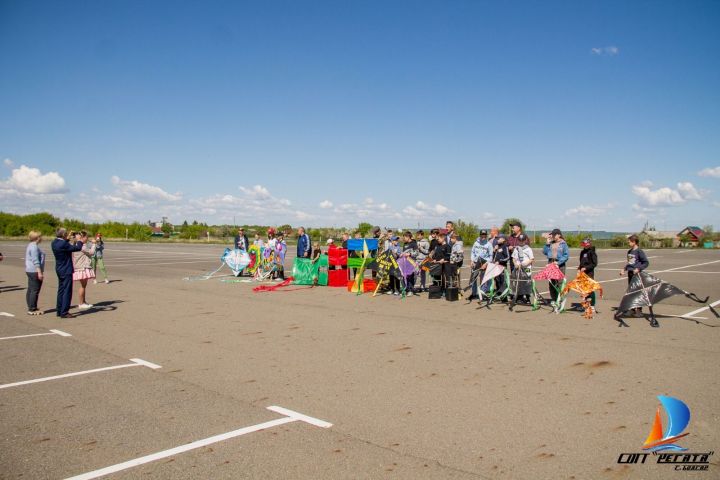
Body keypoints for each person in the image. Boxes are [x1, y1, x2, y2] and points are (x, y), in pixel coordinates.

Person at [51, 228, 84, 318]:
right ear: (63, 235)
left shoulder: (54, 242)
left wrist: (68, 237)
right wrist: (79, 240)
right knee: (67, 291)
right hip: (66, 269)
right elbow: (77, 248)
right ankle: (64, 312)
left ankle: (59, 310)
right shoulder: (63, 244)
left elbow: (64, 243)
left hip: (59, 268)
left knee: (61, 290)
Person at [620, 234, 650, 320]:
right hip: (630, 274)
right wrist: (624, 269)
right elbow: (630, 263)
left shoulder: (639, 251)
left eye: (629, 241)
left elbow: (646, 263)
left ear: (634, 242)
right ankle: (632, 310)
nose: (628, 243)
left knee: (638, 292)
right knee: (631, 292)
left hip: (637, 275)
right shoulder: (629, 252)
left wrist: (638, 269)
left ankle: (639, 311)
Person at [542, 228, 569, 304]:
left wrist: (558, 262)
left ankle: (560, 299)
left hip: (559, 265)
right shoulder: (551, 243)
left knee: (560, 282)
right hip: (551, 263)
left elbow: (566, 256)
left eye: (554, 234)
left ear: (559, 235)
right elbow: (544, 252)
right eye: (552, 234)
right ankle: (554, 299)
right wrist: (547, 244)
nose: (552, 236)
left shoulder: (563, 244)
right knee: (552, 282)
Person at [72, 231, 96, 310]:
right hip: (82, 267)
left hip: (80, 267)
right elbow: (91, 252)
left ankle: (84, 301)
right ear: (82, 238)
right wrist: (94, 244)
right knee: (83, 286)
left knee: (84, 285)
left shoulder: (77, 244)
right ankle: (81, 303)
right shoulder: (81, 246)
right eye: (86, 237)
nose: (87, 238)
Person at [25, 231, 46, 315]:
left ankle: (31, 306)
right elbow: (35, 260)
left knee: (31, 289)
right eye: (40, 237)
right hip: (34, 270)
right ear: (37, 238)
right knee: (35, 290)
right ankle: (32, 309)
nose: (41, 238)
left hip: (29, 270)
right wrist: (39, 272)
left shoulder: (30, 245)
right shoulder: (34, 247)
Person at [510, 233, 534, 303]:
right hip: (518, 268)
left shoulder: (528, 249)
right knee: (518, 282)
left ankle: (527, 297)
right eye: (520, 241)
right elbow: (513, 258)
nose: (521, 242)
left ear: (525, 240)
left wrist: (526, 263)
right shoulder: (516, 249)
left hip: (526, 268)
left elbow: (532, 259)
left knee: (527, 282)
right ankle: (519, 297)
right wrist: (515, 264)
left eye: (522, 240)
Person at [469, 230, 493, 300]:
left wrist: (486, 264)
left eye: (484, 235)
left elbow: (491, 256)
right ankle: (473, 293)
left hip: (484, 263)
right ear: (480, 235)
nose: (483, 236)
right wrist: (472, 261)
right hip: (475, 263)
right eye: (482, 235)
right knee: (473, 278)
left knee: (483, 280)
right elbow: (472, 252)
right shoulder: (476, 243)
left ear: (486, 235)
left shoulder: (489, 244)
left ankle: (482, 294)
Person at [578, 238, 598, 313]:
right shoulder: (582, 252)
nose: (584, 246)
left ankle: (592, 306)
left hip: (589, 273)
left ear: (589, 244)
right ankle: (586, 305)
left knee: (590, 289)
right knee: (584, 290)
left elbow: (594, 264)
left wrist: (586, 268)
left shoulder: (592, 252)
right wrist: (579, 268)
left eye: (585, 244)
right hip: (582, 273)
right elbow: (581, 262)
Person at [401, 231, 418, 295]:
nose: (403, 239)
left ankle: (410, 290)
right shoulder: (405, 244)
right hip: (405, 262)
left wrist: (410, 254)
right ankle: (407, 289)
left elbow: (417, 253)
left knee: (411, 276)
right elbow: (403, 252)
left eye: (404, 237)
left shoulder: (414, 243)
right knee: (406, 276)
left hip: (411, 262)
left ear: (408, 237)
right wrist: (402, 254)